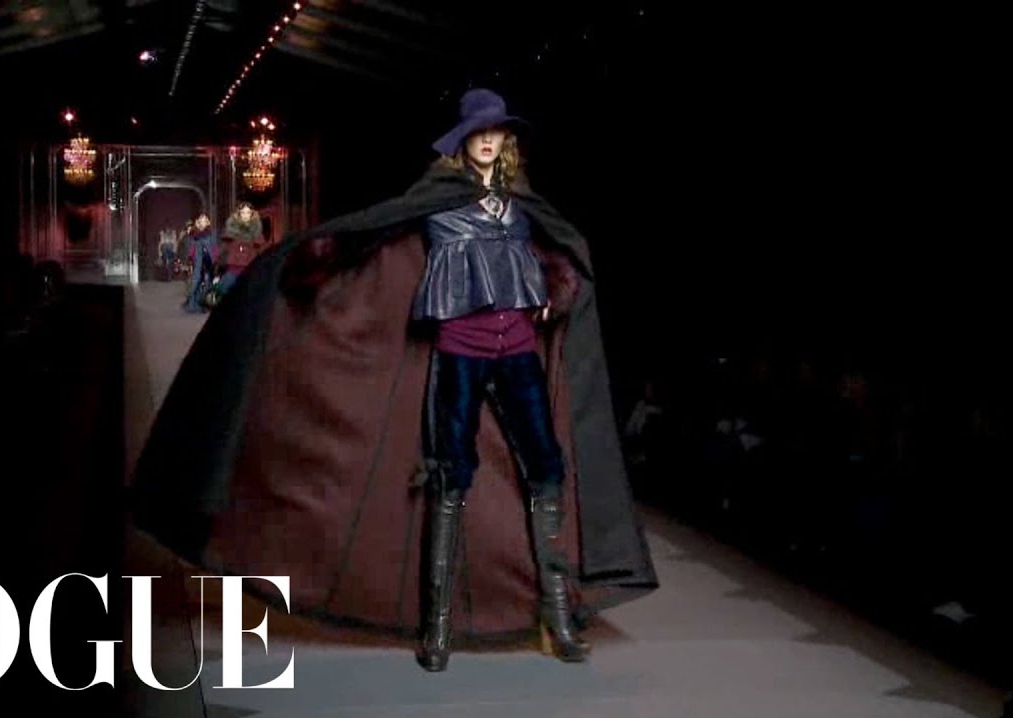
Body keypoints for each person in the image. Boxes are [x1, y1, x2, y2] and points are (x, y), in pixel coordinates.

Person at [131, 88, 657, 671]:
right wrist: (313, 262)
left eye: (497, 133)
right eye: (478, 134)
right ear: (462, 144)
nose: (488, 142)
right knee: (450, 476)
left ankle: (557, 612)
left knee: (546, 471)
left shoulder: (521, 207)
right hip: (460, 349)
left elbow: (555, 261)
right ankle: (438, 627)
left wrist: (557, 288)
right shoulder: (436, 201)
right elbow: (376, 240)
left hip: (516, 351)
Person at [215, 202, 264, 297]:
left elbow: (261, 250)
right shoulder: (231, 229)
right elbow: (224, 247)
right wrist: (217, 261)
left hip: (250, 267)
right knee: (222, 290)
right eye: (243, 212)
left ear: (252, 214)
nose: (245, 215)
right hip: (234, 267)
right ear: (239, 214)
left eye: (248, 212)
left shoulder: (256, 230)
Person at [182, 214, 216, 313]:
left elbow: (214, 248)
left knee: (209, 283)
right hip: (198, 261)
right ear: (197, 222)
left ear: (208, 222)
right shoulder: (194, 234)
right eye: (200, 221)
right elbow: (191, 249)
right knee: (196, 282)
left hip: (209, 261)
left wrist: (216, 259)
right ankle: (192, 304)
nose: (202, 223)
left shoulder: (211, 234)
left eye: (205, 221)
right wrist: (189, 260)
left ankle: (205, 303)